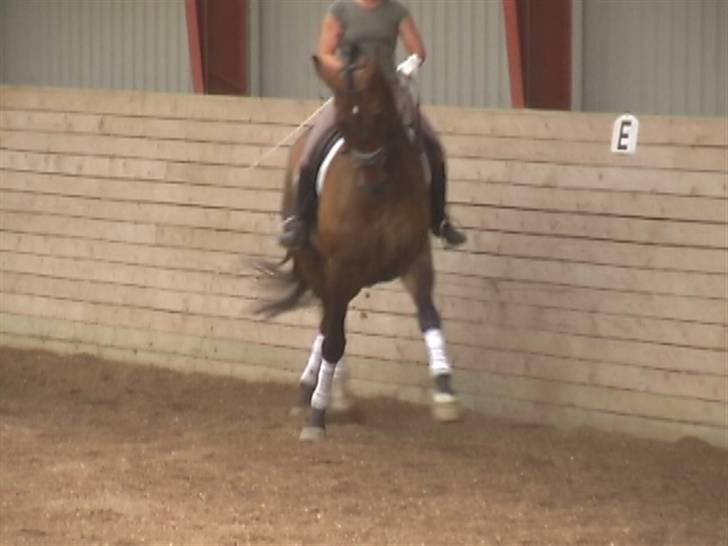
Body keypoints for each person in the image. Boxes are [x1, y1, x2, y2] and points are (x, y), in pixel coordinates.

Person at [278, 0, 466, 249]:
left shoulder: (396, 11)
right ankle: (300, 220)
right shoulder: (341, 10)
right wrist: (348, 72)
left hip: (389, 90)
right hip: (352, 91)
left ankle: (439, 219)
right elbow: (324, 52)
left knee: (432, 146)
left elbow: (417, 48)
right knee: (310, 151)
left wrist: (412, 62)